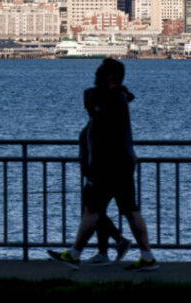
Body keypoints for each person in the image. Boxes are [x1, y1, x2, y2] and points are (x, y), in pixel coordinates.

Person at [48, 58, 158, 271]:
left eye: (101, 71)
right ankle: (146, 255)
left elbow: (90, 102)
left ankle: (75, 253)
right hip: (121, 164)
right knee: (128, 210)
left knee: (93, 210)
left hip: (107, 165)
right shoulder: (119, 98)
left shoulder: (108, 99)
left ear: (108, 77)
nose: (96, 74)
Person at [78, 117, 132, 265]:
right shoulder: (97, 123)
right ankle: (105, 251)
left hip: (99, 176)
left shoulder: (101, 125)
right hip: (97, 175)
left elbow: (100, 151)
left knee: (92, 211)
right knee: (96, 212)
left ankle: (116, 242)